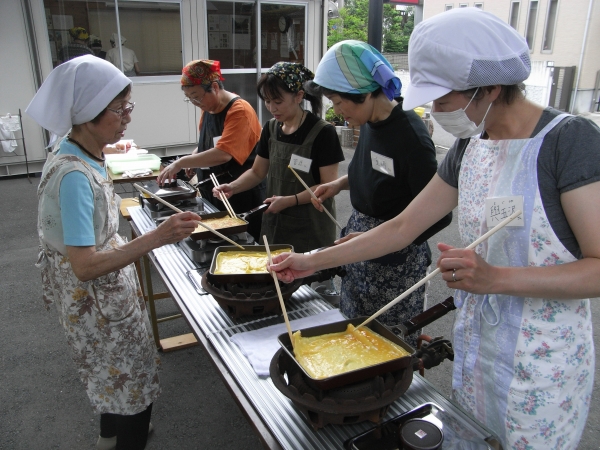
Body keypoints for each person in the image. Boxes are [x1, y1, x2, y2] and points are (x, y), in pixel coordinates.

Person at [270, 8, 599, 449]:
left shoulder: (569, 141)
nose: (436, 111)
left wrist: (497, 278)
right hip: (478, 344)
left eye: (443, 102)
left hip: (543, 357)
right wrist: (310, 261)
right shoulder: (470, 145)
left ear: (491, 89)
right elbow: (404, 226)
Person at [26, 55, 202, 450]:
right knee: (131, 377)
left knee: (108, 371)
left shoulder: (73, 146)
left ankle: (109, 437)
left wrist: (112, 144)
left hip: (90, 295)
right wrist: (157, 236)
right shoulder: (74, 177)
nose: (127, 117)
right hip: (93, 294)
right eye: (119, 110)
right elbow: (85, 265)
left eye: (129, 107)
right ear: (88, 114)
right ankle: (127, 440)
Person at [303, 41, 451, 345]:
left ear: (366, 93)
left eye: (338, 101)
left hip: (394, 258)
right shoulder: (370, 121)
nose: (337, 110)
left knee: (385, 342)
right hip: (360, 241)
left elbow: (439, 215)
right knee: (354, 330)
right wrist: (340, 183)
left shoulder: (411, 137)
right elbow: (371, 168)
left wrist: (382, 238)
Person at [212, 62, 345, 253]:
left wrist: (290, 200)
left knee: (314, 279)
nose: (271, 108)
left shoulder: (323, 132)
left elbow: (327, 188)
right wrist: (233, 186)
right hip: (276, 221)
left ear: (299, 96)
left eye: (278, 101)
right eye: (267, 101)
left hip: (311, 225)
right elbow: (258, 172)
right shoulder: (271, 128)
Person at [156, 59, 266, 240]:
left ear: (214, 87)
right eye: (189, 98)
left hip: (241, 192)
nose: (194, 102)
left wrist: (181, 162)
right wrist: (194, 156)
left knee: (243, 242)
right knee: (216, 240)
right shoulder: (208, 107)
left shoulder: (239, 110)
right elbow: (205, 143)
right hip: (213, 189)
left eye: (196, 96)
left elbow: (223, 153)